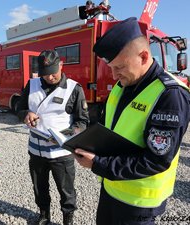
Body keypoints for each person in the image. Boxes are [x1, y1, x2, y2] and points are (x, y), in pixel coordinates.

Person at [74, 17, 190, 225]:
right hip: (111, 187)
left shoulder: (170, 95)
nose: (114, 74)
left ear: (144, 56)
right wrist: (83, 140)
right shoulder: (122, 85)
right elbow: (111, 129)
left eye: (119, 67)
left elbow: (156, 160)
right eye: (111, 67)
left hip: (139, 202)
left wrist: (98, 164)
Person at [17, 50, 89, 225]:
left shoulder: (73, 88)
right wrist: (26, 114)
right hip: (36, 151)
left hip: (61, 154)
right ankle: (44, 215)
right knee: (39, 188)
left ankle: (68, 218)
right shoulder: (32, 84)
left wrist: (62, 136)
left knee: (66, 191)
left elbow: (82, 122)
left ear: (61, 65)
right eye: (45, 74)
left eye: (53, 72)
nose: (50, 77)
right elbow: (19, 108)